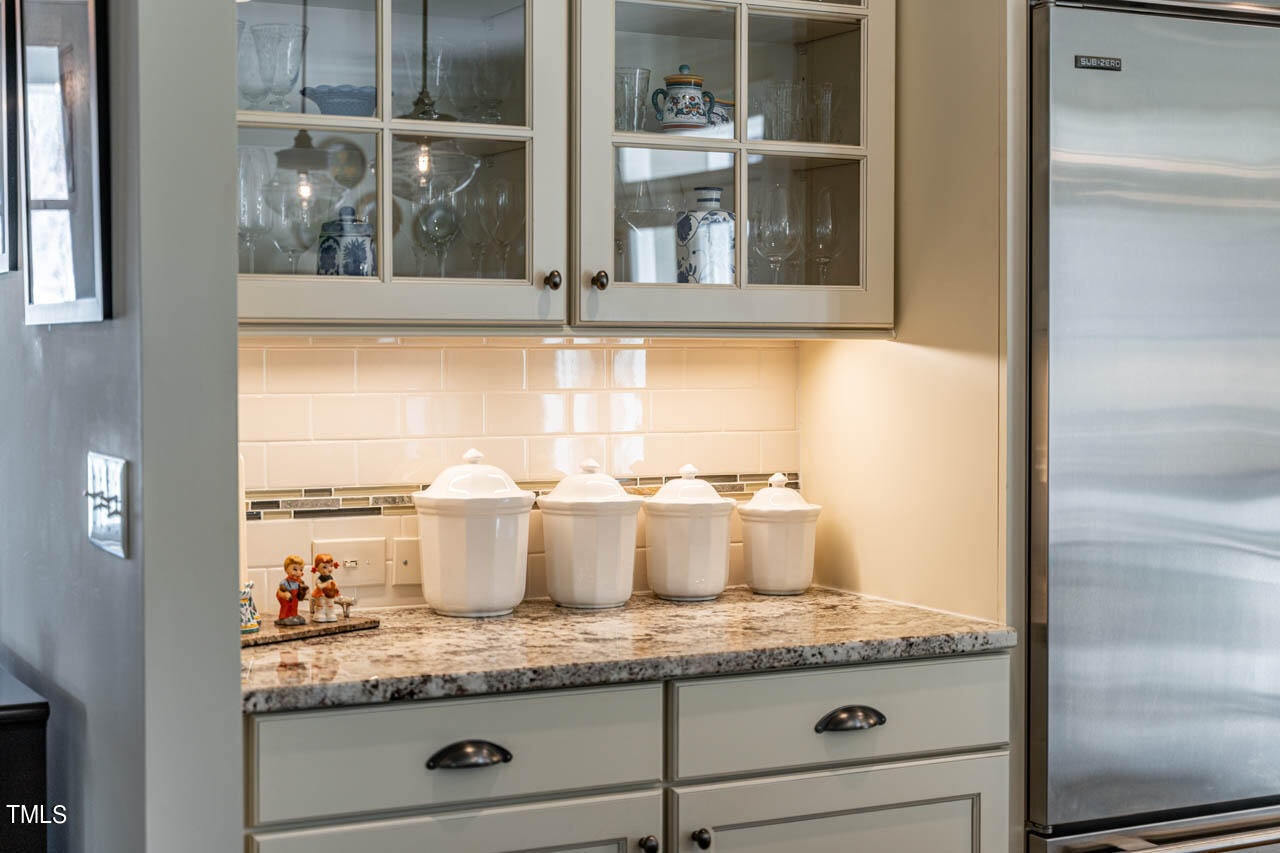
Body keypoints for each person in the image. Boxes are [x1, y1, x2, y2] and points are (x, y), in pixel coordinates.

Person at [275, 555, 308, 626]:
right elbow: (280, 591)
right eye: (295, 569)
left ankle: (294, 615)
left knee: (294, 607)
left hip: (295, 599)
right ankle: (283, 618)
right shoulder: (285, 582)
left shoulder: (299, 581)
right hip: (287, 599)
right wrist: (285, 594)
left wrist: (304, 593)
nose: (298, 572)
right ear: (286, 569)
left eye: (301, 570)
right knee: (286, 608)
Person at [311, 553, 341, 623]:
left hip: (330, 594)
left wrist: (336, 589)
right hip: (321, 594)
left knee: (330, 603)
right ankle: (320, 614)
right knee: (321, 603)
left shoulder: (331, 578)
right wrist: (326, 584)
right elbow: (319, 586)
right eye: (325, 567)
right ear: (317, 569)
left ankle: (330, 613)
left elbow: (334, 584)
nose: (329, 569)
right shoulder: (320, 579)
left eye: (331, 566)